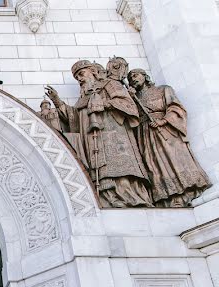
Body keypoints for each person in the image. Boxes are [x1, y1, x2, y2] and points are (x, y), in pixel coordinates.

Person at [46, 60, 152, 207]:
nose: (80, 79)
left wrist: (105, 104)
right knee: (102, 172)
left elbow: (128, 104)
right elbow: (75, 117)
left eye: (81, 74)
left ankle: (131, 199)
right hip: (92, 140)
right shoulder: (84, 97)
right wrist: (57, 101)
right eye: (77, 78)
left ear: (93, 71)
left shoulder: (109, 85)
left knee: (120, 170)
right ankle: (110, 199)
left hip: (113, 135)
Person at [128, 68, 210, 207]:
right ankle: (169, 197)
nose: (133, 79)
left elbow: (176, 108)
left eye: (135, 75)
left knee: (173, 158)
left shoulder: (163, 90)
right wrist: (130, 98)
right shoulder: (134, 98)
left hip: (164, 129)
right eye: (130, 78)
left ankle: (188, 190)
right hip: (145, 134)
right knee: (154, 163)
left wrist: (164, 121)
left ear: (145, 76)